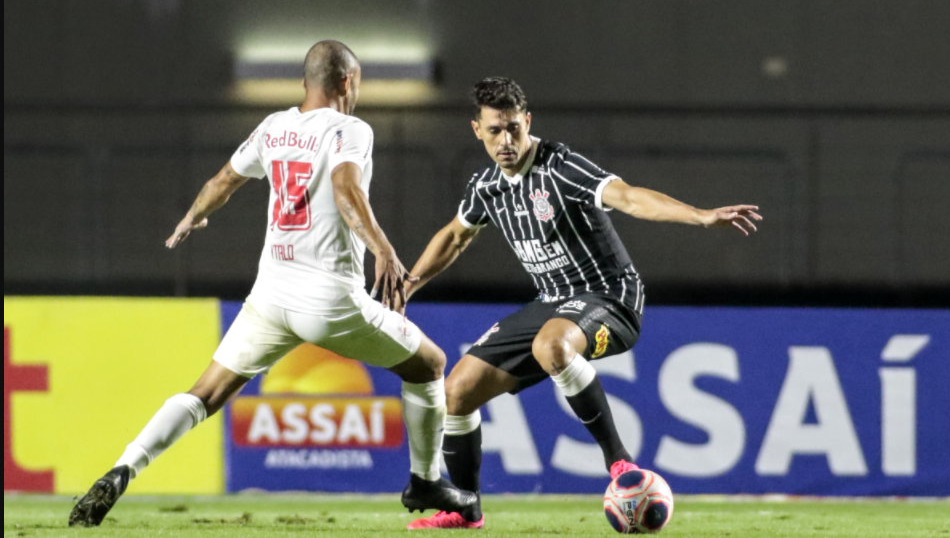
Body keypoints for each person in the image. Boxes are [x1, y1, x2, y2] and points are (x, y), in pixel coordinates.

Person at [68, 41, 477, 528]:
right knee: (430, 364)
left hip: (270, 295)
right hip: (329, 300)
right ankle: (425, 480)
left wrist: (192, 217)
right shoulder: (350, 129)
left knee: (206, 393)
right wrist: (384, 249)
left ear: (306, 82)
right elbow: (346, 189)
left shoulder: (274, 127)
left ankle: (123, 469)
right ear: (347, 81)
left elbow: (223, 180)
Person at [403, 77, 761, 530]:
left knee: (552, 346)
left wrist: (700, 215)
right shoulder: (487, 186)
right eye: (495, 131)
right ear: (478, 130)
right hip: (552, 302)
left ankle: (620, 464)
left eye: (514, 127)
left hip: (608, 295)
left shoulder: (560, 166)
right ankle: (466, 507)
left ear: (527, 121)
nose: (506, 140)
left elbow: (628, 197)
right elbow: (455, 235)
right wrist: (409, 284)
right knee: (456, 393)